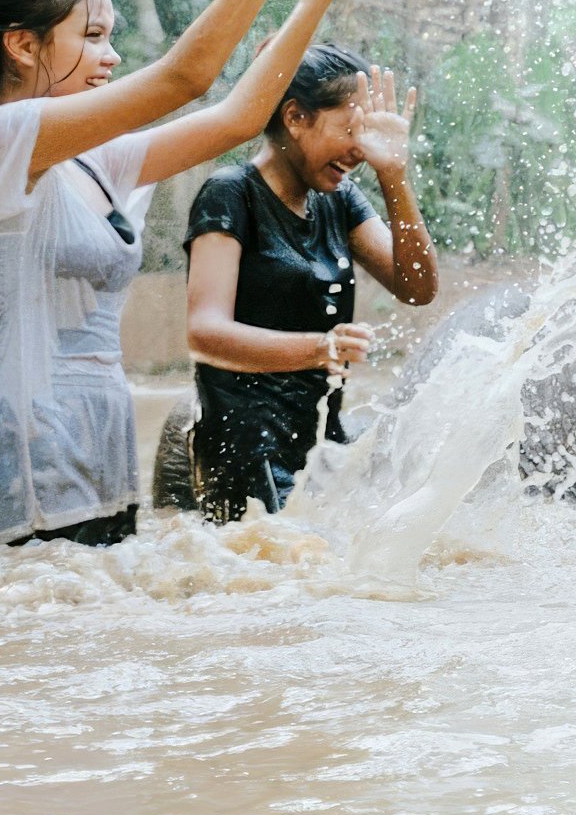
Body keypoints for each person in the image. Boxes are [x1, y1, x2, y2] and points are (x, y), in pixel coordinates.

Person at [0, 0, 385, 552]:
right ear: (23, 45)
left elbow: (235, 116)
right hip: (13, 459)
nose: (110, 56)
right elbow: (184, 77)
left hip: (98, 458)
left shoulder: (98, 162)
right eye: (94, 36)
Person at [181, 48, 439, 521]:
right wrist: (320, 348)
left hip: (320, 442)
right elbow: (204, 332)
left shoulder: (339, 200)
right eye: (350, 130)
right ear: (296, 117)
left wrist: (394, 175)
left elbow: (417, 287)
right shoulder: (230, 194)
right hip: (246, 448)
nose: (360, 149)